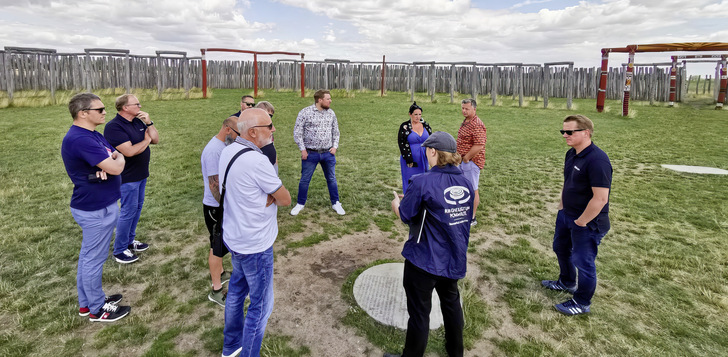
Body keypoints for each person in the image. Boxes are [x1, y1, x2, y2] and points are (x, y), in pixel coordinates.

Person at [389, 131, 473, 357]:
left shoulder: (422, 181)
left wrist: (397, 204)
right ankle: (456, 353)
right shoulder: (465, 182)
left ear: (433, 151)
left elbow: (406, 216)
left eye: (427, 150)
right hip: (454, 257)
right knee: (452, 305)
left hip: (424, 261)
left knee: (419, 312)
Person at [219, 108, 291, 357]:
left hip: (235, 238)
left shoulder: (228, 151)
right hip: (256, 244)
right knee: (260, 307)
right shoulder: (257, 160)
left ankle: (231, 346)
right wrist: (270, 194)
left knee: (237, 293)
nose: (273, 130)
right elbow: (285, 199)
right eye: (269, 126)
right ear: (252, 132)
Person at [62, 92, 131, 322]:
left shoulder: (92, 134)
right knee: (94, 259)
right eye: (99, 110)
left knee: (89, 256)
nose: (105, 112)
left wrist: (113, 159)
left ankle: (87, 303)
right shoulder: (80, 138)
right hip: (95, 208)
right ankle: (97, 309)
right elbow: (116, 165)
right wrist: (114, 162)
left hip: (99, 204)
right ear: (83, 113)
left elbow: (113, 157)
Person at [541, 114, 612, 316]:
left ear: (586, 133)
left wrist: (581, 221)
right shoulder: (571, 154)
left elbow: (600, 199)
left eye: (569, 132)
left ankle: (582, 302)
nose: (565, 135)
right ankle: (566, 281)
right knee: (560, 247)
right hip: (567, 215)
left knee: (583, 261)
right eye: (563, 131)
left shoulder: (598, 160)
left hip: (587, 222)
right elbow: (568, 182)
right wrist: (562, 207)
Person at [103, 94, 159, 264]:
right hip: (127, 177)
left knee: (136, 208)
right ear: (125, 107)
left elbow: (155, 139)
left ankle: (129, 241)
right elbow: (129, 151)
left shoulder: (138, 121)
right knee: (128, 211)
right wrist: (146, 140)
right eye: (137, 104)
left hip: (141, 174)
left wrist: (149, 123)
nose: (140, 106)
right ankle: (120, 250)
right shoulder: (114, 127)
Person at [201, 116, 240, 307]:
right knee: (216, 247)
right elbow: (214, 186)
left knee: (222, 244)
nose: (237, 137)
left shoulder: (223, 147)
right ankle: (216, 290)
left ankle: (222, 272)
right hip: (215, 207)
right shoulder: (213, 152)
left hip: (222, 206)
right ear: (227, 129)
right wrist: (228, 206)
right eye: (236, 134)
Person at [290, 89, 345, 216]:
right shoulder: (305, 112)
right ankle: (300, 204)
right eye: (328, 99)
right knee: (305, 180)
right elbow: (297, 132)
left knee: (331, 178)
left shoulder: (331, 113)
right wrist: (302, 149)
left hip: (328, 153)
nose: (330, 101)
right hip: (310, 154)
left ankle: (336, 203)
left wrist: (335, 147)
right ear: (320, 100)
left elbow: (336, 132)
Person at [456, 98, 486, 227]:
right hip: (462, 161)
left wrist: (467, 158)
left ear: (474, 109)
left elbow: (479, 145)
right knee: (463, 189)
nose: (464, 111)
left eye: (467, 109)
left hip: (471, 162)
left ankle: (472, 217)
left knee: (472, 189)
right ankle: (464, 213)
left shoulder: (477, 124)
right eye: (463, 108)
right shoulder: (466, 121)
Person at [398, 101, 432, 193]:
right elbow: (401, 143)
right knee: (410, 180)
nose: (418, 117)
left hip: (424, 158)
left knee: (424, 179)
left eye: (420, 114)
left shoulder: (426, 125)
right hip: (411, 159)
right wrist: (408, 159)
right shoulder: (405, 126)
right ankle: (408, 200)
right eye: (415, 114)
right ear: (410, 114)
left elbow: (431, 140)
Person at [255, 101, 278, 173]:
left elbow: (272, 147)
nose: (269, 118)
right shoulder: (253, 130)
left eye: (271, 116)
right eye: (267, 115)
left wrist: (275, 166)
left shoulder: (268, 128)